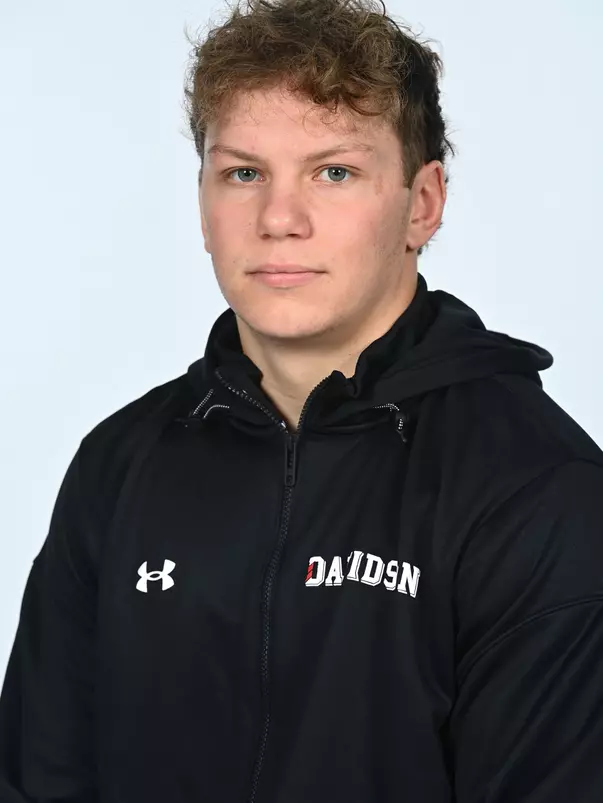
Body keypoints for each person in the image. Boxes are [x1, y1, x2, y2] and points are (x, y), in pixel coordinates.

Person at [1, 0, 603, 800]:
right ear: (204, 202)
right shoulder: (121, 463)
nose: (278, 219)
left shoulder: (534, 485)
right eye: (243, 173)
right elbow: (38, 777)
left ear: (421, 204)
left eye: (334, 172)